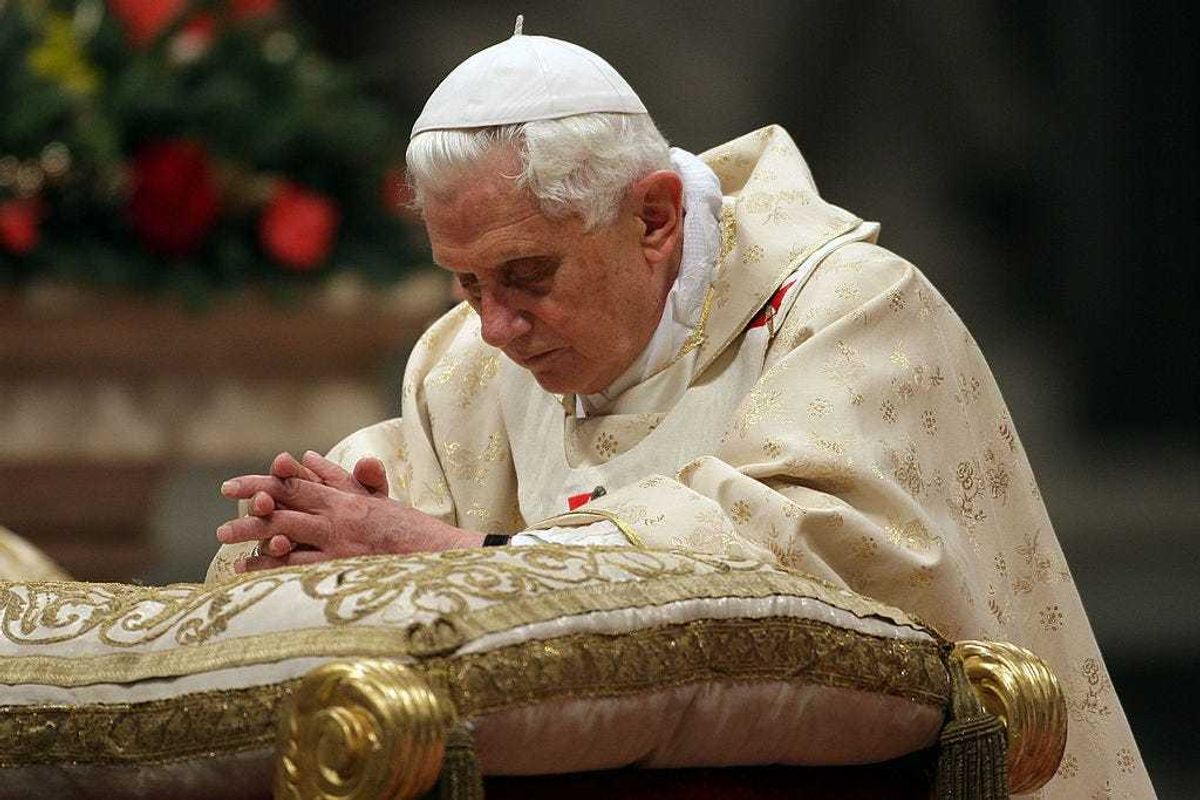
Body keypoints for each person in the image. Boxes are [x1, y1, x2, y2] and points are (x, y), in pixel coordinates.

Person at [207, 23, 1155, 799]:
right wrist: (305, 527)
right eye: (464, 282)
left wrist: (456, 560)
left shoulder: (848, 311)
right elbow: (396, 508)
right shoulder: (462, 363)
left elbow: (804, 562)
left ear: (654, 218)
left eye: (527, 276)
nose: (494, 325)